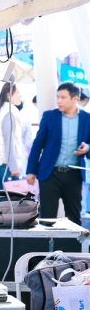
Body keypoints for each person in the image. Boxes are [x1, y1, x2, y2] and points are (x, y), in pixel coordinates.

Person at [26, 82, 90, 225]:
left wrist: (87, 148)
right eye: (57, 97)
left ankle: (72, 241)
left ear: (75, 98)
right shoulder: (50, 116)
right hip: (50, 174)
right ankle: (46, 241)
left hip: (74, 176)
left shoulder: (87, 119)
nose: (59, 101)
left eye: (63, 97)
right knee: (47, 218)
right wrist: (31, 171)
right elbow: (37, 145)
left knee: (74, 219)